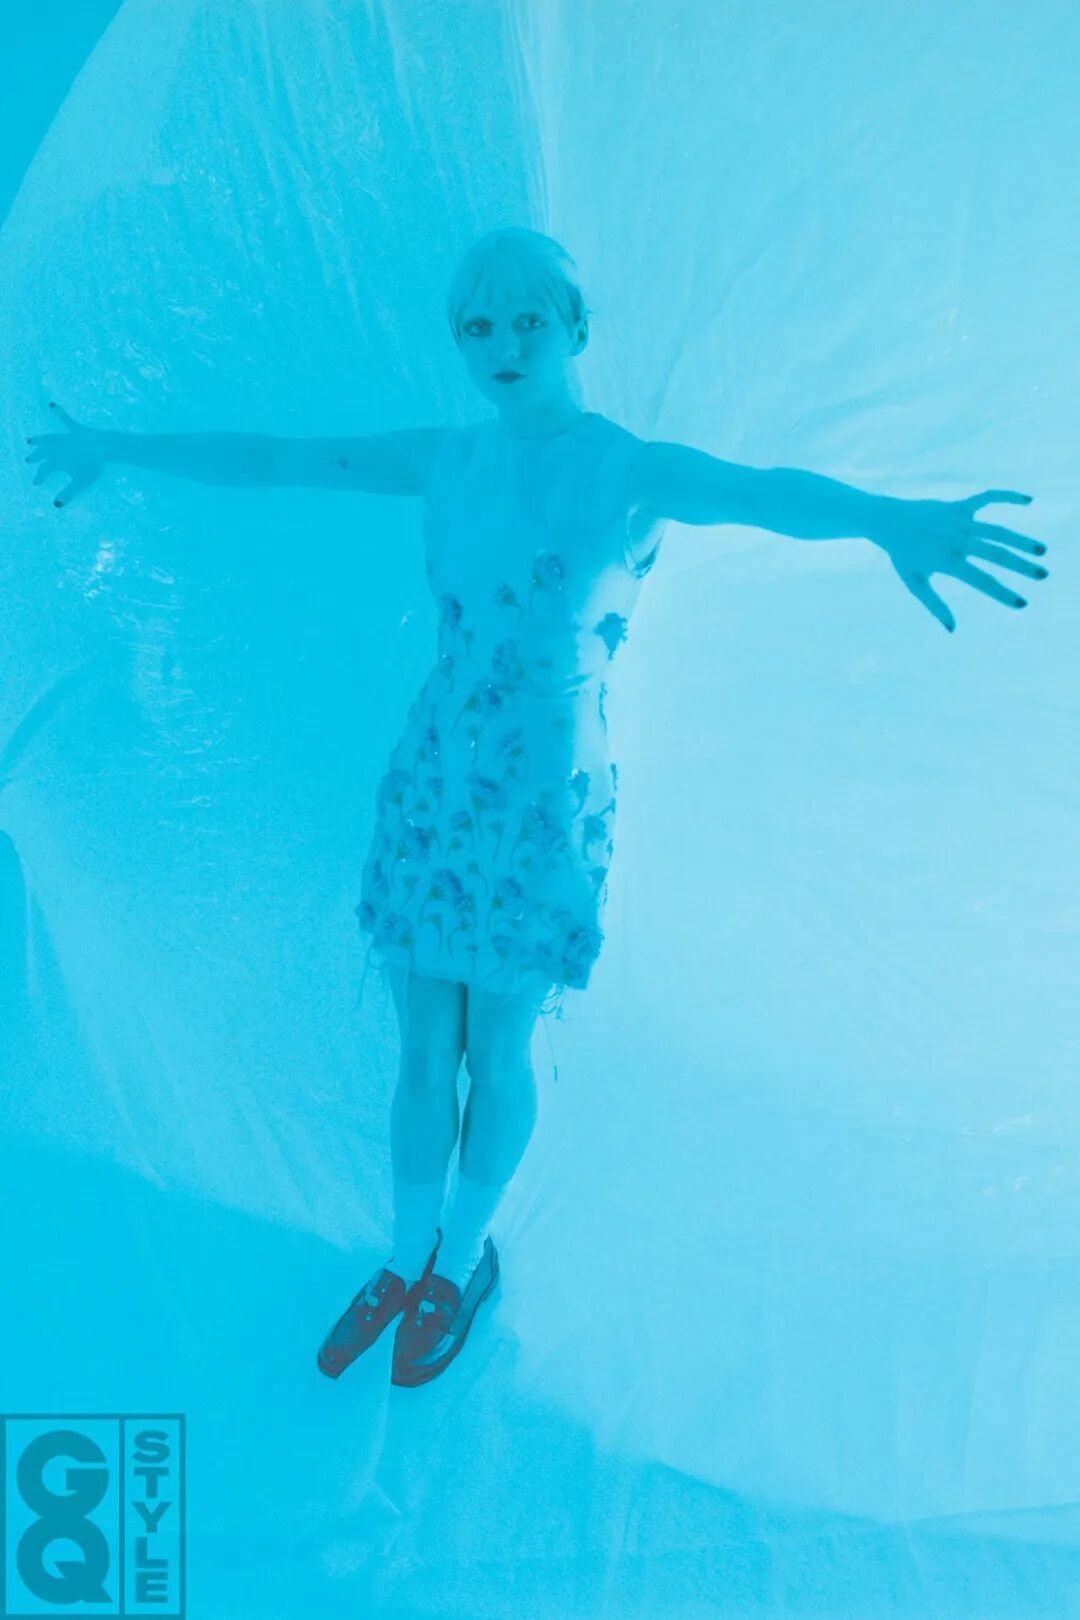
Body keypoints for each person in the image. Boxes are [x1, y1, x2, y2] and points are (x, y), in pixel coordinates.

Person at [25, 227, 1048, 1390]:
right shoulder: (448, 457)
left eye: (528, 321)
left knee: (496, 1050)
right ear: (459, 341)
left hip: (544, 798)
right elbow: (277, 459)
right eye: (480, 326)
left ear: (575, 330)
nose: (504, 345)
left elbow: (764, 494)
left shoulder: (625, 469)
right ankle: (405, 1256)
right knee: (423, 1051)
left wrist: (887, 518)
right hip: (434, 780)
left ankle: (460, 1263)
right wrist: (115, 447)